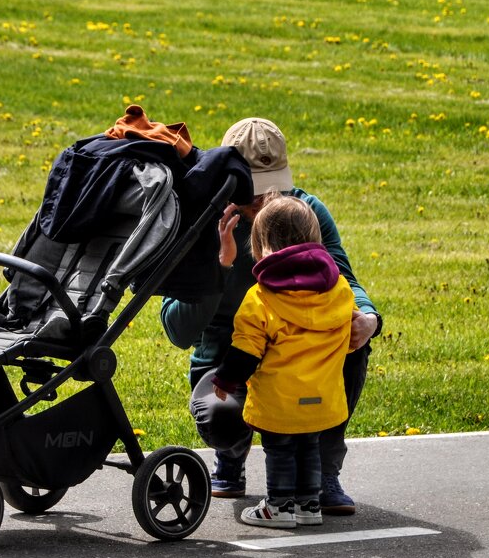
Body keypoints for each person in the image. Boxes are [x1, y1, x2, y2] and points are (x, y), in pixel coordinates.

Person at [160, 117, 382, 515]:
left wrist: (368, 318)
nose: (265, 199)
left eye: (273, 187)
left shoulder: (304, 212)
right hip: (231, 355)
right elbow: (179, 330)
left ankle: (323, 477)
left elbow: (344, 279)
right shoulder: (199, 219)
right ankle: (230, 458)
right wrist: (220, 269)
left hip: (300, 353)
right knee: (222, 417)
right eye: (254, 190)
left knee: (350, 343)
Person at [210, 195, 353, 527]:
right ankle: (308, 505)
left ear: (259, 247)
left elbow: (246, 348)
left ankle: (279, 505)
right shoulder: (339, 290)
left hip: (279, 398)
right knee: (308, 447)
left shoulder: (261, 297)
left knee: (280, 449)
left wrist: (225, 381)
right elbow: (346, 331)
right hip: (323, 396)